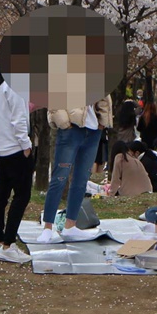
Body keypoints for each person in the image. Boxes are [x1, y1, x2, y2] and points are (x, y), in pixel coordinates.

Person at [39, 95, 111, 244]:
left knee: (81, 179)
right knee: (60, 178)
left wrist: (102, 123)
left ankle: (70, 225)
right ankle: (47, 227)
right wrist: (64, 123)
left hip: (93, 130)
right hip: (71, 129)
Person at [0, 67, 34, 263]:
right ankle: (8, 243)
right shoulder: (14, 85)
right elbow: (19, 118)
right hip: (15, 147)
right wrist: (26, 145)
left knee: (2, 193)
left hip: (0, 147)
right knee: (22, 195)